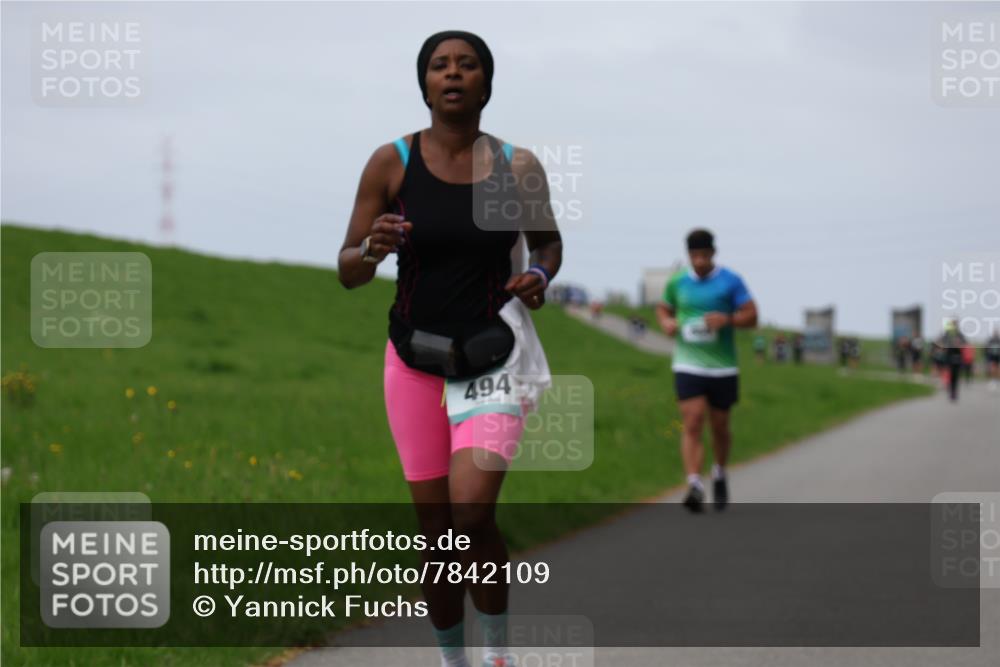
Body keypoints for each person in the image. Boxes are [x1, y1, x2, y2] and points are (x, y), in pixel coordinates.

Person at [338, 31, 562, 667]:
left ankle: (496, 656)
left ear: (487, 84)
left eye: (468, 65)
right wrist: (371, 249)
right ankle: (454, 661)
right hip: (412, 362)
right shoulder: (391, 162)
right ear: (425, 84)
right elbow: (347, 267)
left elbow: (548, 243)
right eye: (440, 66)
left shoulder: (517, 166)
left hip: (494, 356)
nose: (454, 73)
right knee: (438, 536)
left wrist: (540, 276)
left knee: (469, 514)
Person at [656, 229, 758, 513]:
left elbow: (752, 316)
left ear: (713, 253)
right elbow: (663, 308)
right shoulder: (678, 281)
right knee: (692, 420)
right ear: (688, 255)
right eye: (694, 256)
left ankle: (720, 472)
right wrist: (666, 323)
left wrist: (727, 319)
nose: (699, 262)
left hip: (723, 367)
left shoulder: (730, 281)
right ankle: (694, 484)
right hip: (688, 363)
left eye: (704, 255)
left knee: (720, 426)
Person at [939, 321, 966, 402]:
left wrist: (959, 345)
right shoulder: (947, 333)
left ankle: (954, 392)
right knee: (950, 375)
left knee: (956, 376)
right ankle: (950, 390)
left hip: (958, 357)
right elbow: (942, 343)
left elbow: (965, 343)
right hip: (949, 357)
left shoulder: (960, 334)